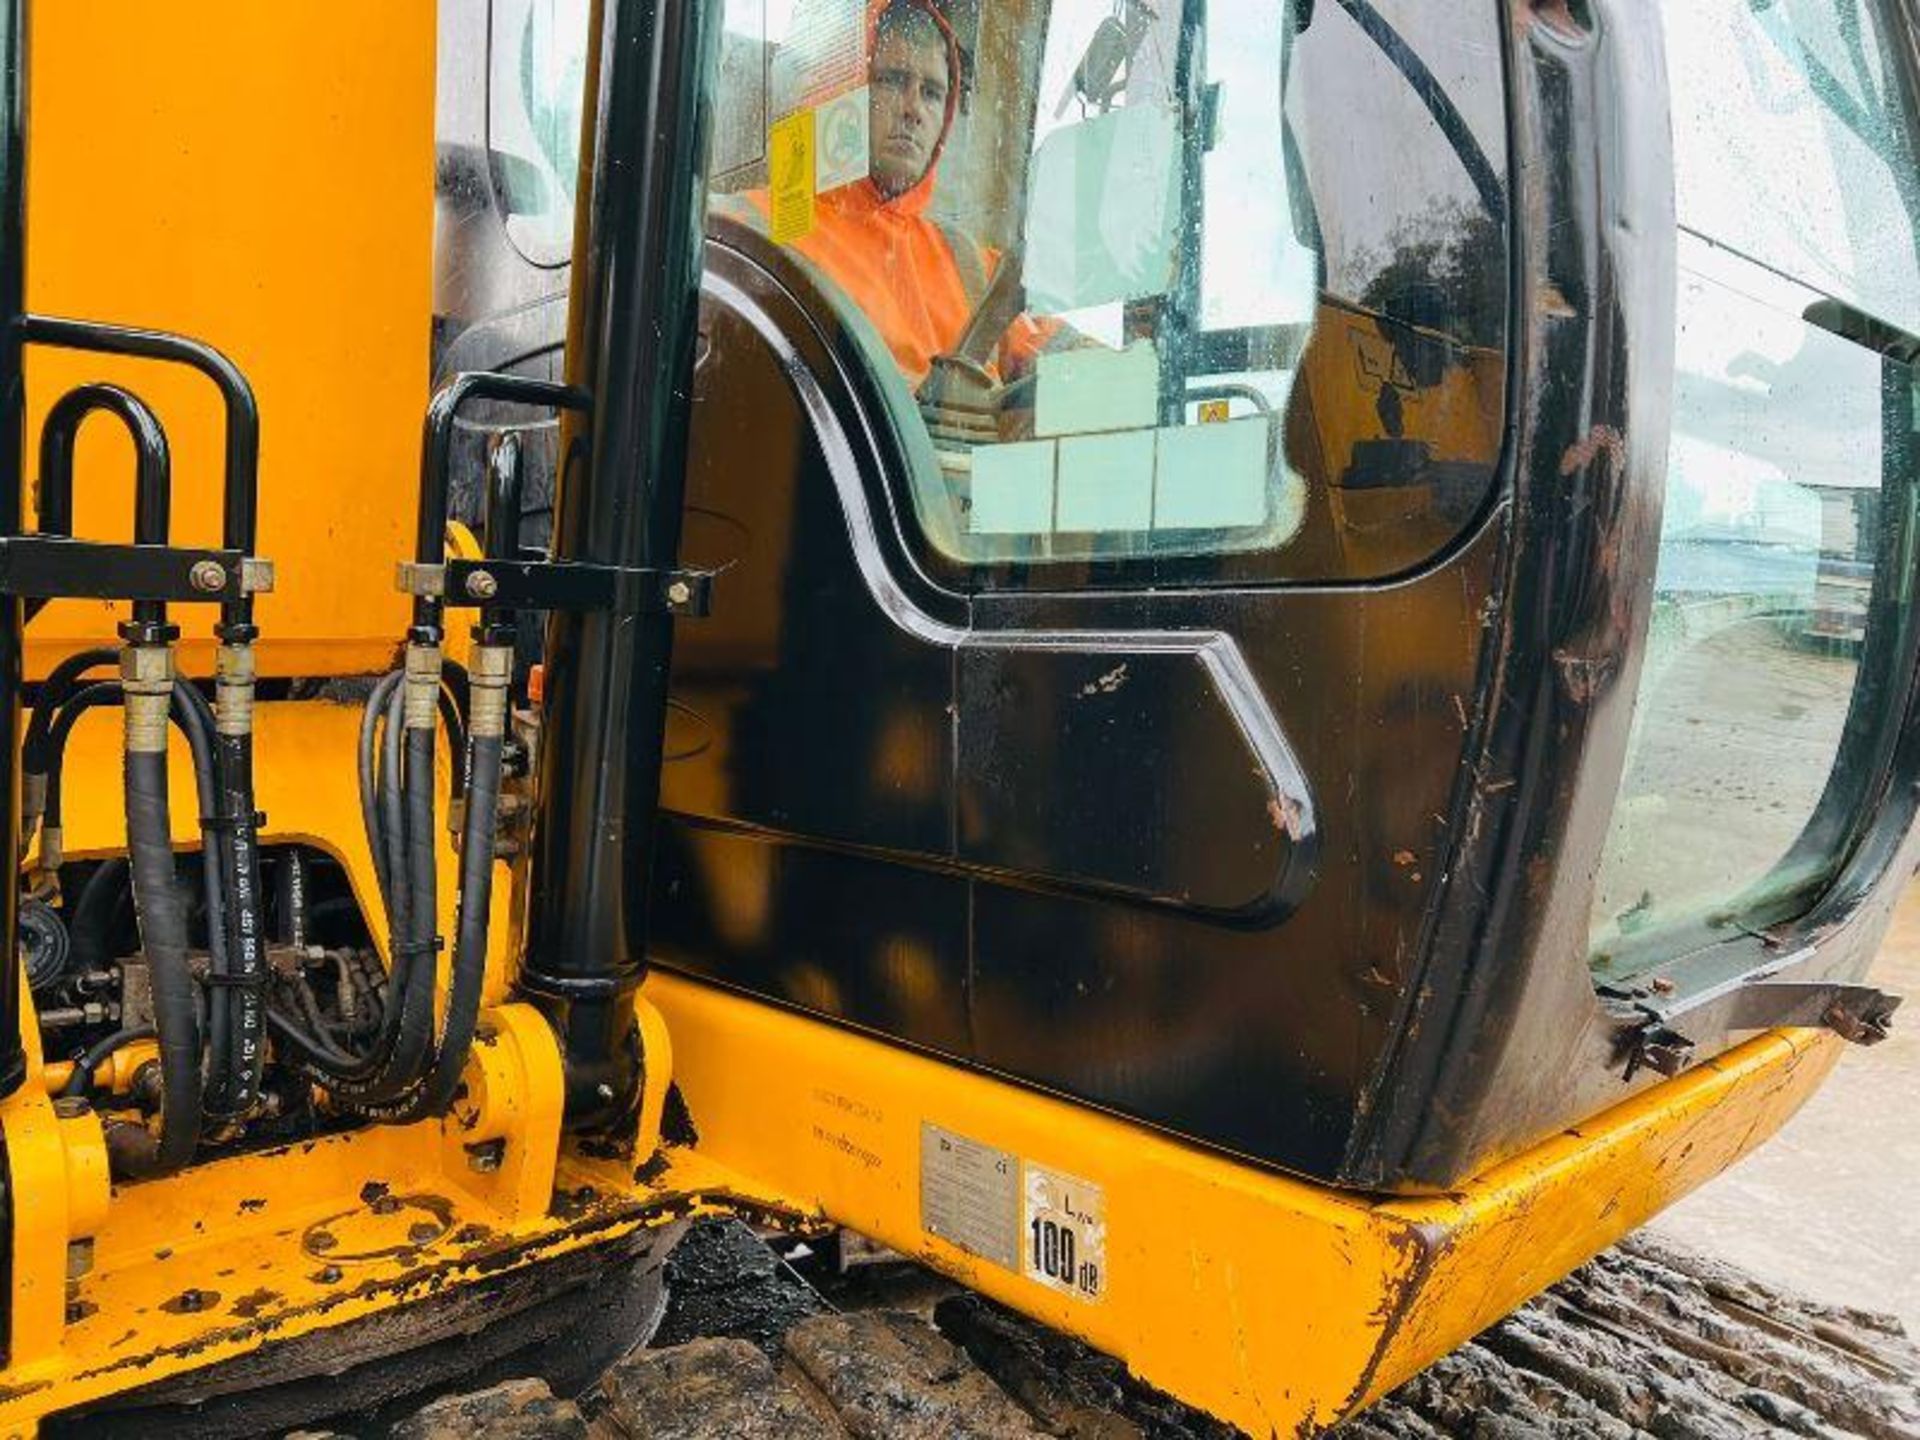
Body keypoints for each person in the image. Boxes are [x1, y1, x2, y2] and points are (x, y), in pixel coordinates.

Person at [720, 0, 1058, 393]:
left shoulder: (971, 266)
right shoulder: (752, 226)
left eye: (932, 92)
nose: (914, 109)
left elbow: (1071, 361)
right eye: (893, 80)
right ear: (841, 88)